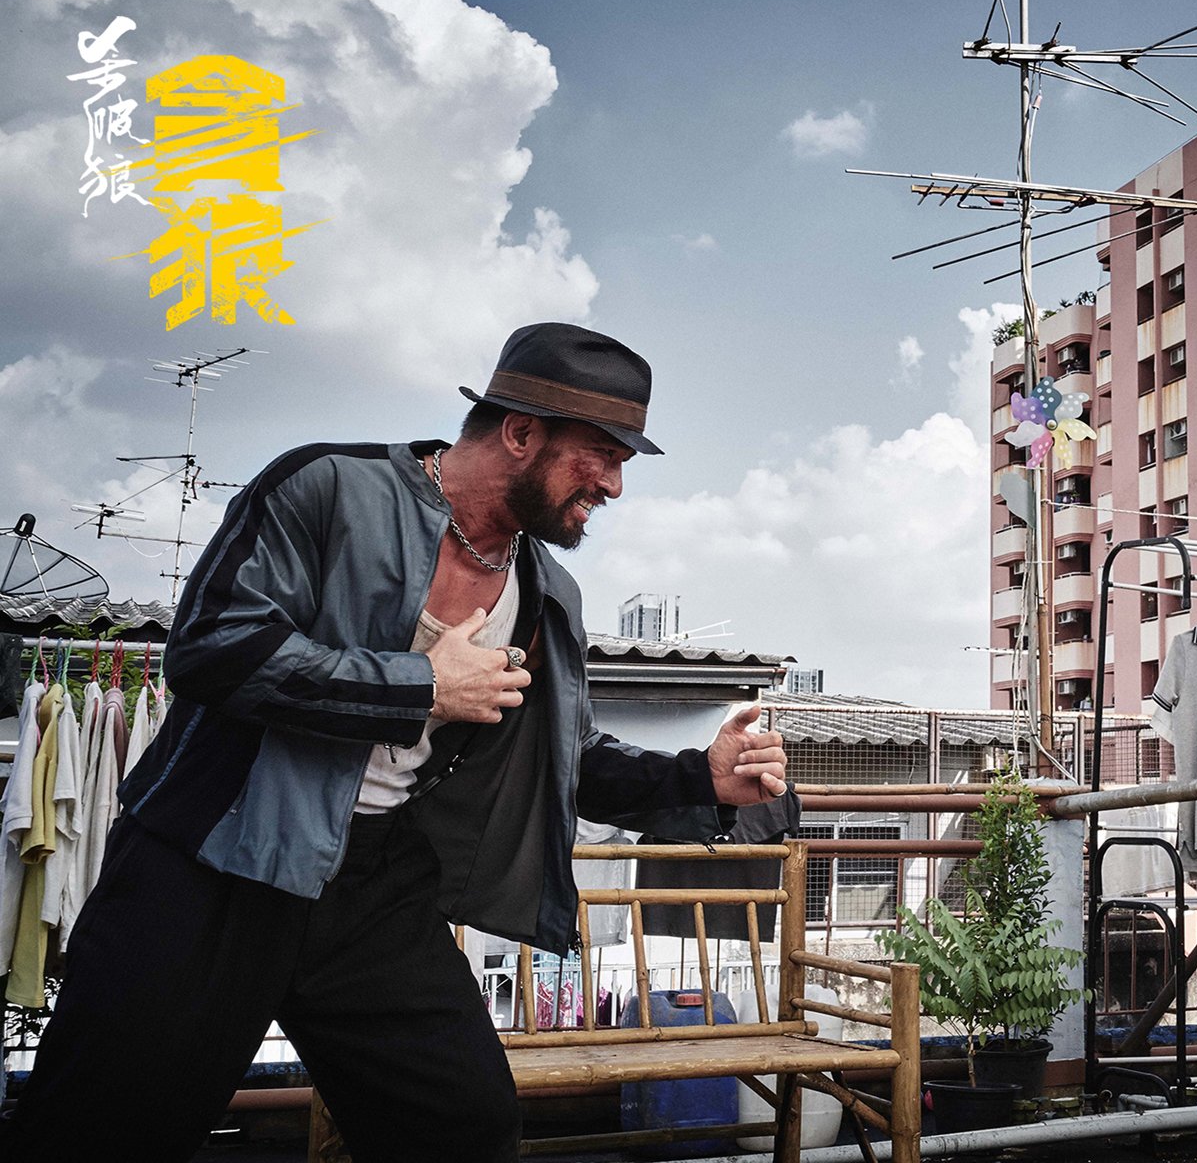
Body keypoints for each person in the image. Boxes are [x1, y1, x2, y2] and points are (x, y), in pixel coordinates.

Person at [4, 323, 790, 1162]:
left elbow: (567, 757)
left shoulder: (545, 592)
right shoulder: (326, 488)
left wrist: (699, 778)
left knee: (461, 1125)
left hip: (373, 885)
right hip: (211, 861)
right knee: (101, 1129)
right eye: (600, 453)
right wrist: (419, 687)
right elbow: (213, 648)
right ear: (520, 432)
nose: (615, 484)